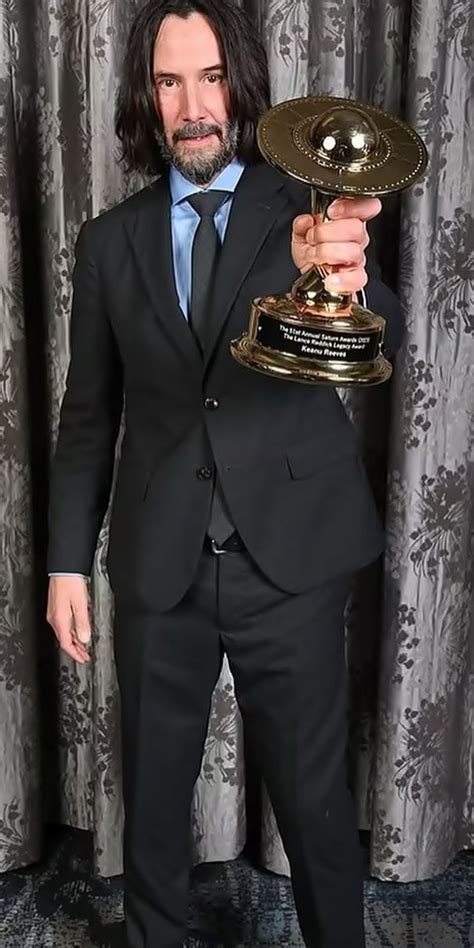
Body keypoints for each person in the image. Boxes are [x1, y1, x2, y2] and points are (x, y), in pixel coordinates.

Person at [46, 1, 404, 946]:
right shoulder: (109, 242)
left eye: (209, 78)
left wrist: (348, 281)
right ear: (147, 95)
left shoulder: (306, 213)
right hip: (161, 565)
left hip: (289, 559)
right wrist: (67, 564)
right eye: (169, 82)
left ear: (239, 85)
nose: (193, 107)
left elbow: (386, 337)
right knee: (153, 810)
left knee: (317, 806)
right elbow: (89, 416)